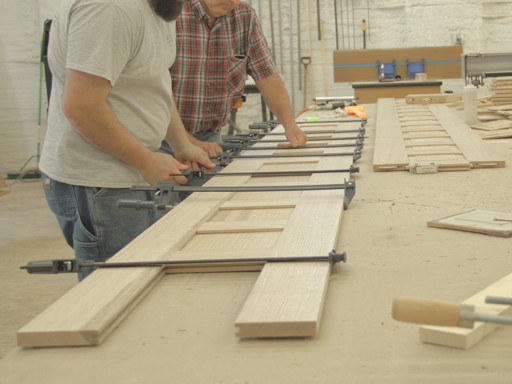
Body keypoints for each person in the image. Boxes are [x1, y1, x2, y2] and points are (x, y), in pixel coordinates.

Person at [39, 0, 215, 281]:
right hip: (100, 181)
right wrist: (144, 160)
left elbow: (151, 83)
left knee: (144, 280)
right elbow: (82, 108)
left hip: (128, 170)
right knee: (117, 290)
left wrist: (181, 144)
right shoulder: (110, 8)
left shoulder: (161, 7)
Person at [161, 0, 307, 186]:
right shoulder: (170, 12)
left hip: (210, 142)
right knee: (163, 210)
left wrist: (289, 124)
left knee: (203, 209)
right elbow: (153, 88)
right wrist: (185, 142)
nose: (233, 2)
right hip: (160, 141)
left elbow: (267, 75)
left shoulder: (244, 16)